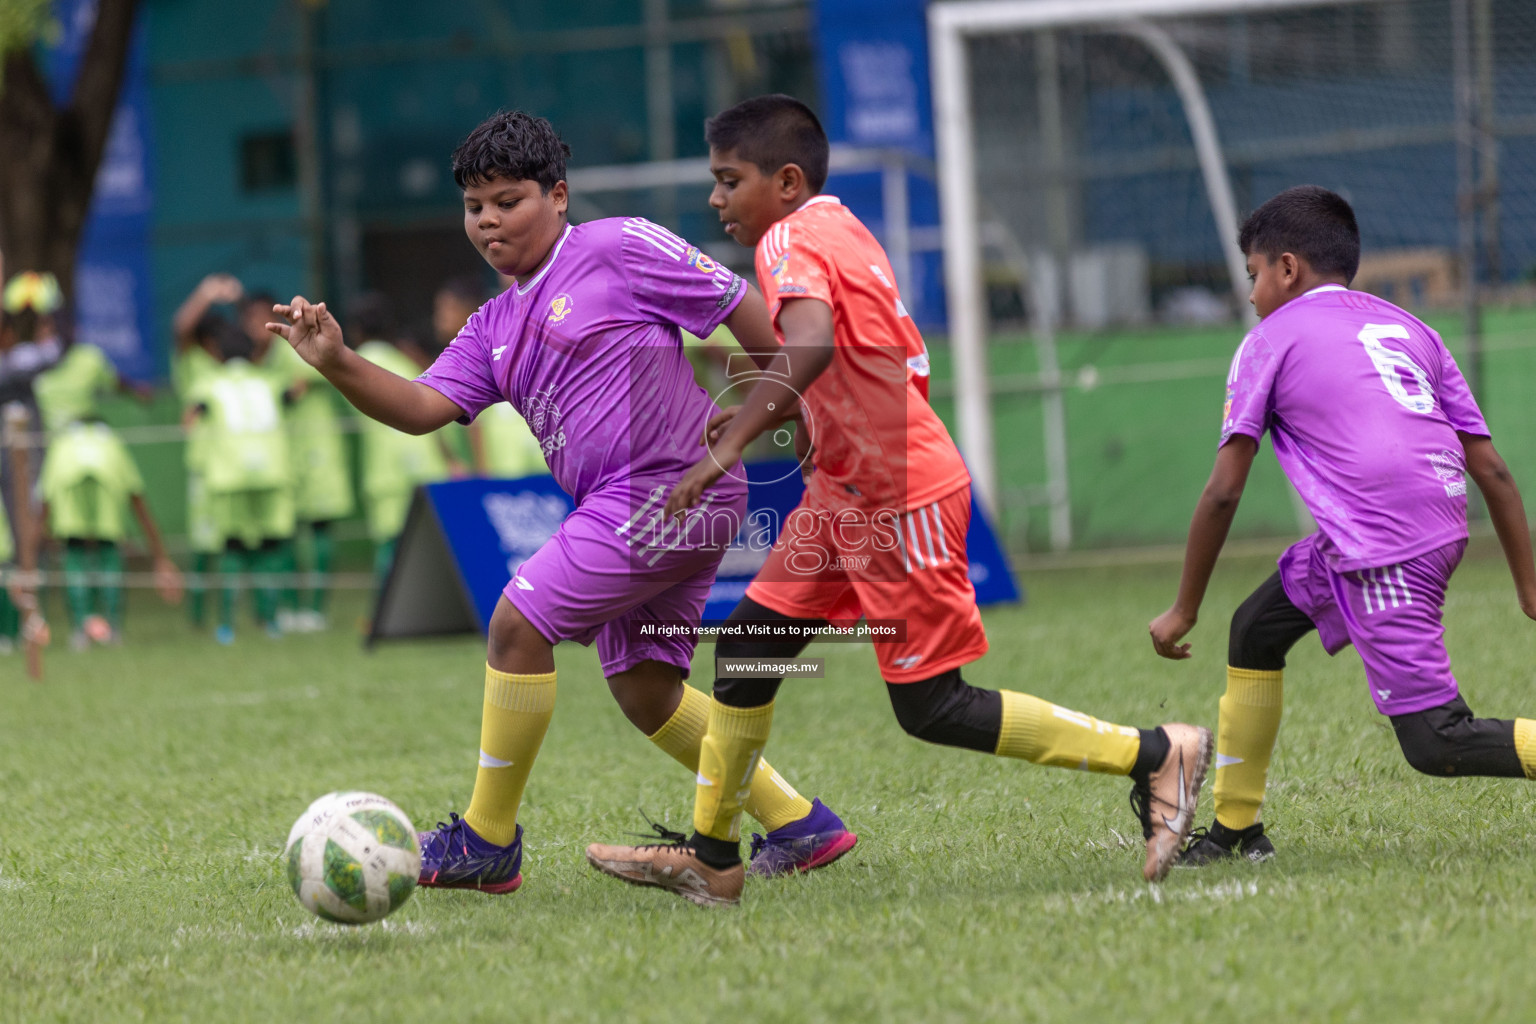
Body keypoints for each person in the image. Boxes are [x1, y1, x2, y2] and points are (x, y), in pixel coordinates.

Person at [584, 95, 1210, 906]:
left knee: (933, 706)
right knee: (745, 655)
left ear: (785, 180)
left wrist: (734, 443)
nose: (716, 199)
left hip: (895, 495)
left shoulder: (789, 236)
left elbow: (806, 344)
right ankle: (713, 856)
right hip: (847, 491)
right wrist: (796, 414)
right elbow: (852, 352)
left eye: (727, 180)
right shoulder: (840, 225)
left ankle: (1158, 752)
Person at [267, 109, 855, 895]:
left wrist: (793, 408)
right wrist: (336, 361)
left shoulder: (618, 247)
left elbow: (745, 314)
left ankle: (487, 841)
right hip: (624, 505)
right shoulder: (492, 325)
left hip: (670, 487)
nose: (488, 222)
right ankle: (799, 824)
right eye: (475, 207)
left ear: (559, 195)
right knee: (647, 692)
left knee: (517, 623)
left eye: (508, 201)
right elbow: (418, 409)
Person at [1146, 185, 1536, 865]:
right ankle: (1238, 829)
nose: (1251, 295)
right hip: (1427, 525)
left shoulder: (1269, 339)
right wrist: (1529, 589)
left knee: (1438, 742)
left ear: (1287, 268)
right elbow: (1495, 472)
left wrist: (1182, 608)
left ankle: (1239, 828)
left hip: (1383, 545)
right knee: (1256, 631)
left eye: (1253, 275)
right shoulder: (1412, 329)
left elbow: (1222, 494)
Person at [183, 321, 297, 644]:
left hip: (229, 476)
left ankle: (227, 626)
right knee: (269, 547)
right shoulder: (270, 381)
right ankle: (271, 621)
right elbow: (293, 395)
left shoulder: (209, 383)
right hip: (272, 473)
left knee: (232, 547)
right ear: (253, 353)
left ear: (218, 353)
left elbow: (192, 416)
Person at [37, 417, 182, 648]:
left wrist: (37, 544)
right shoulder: (112, 442)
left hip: (70, 516)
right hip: (108, 517)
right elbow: (137, 498)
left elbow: (45, 498)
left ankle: (81, 631)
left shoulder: (61, 443)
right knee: (109, 571)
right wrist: (160, 556)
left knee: (76, 572)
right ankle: (112, 631)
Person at [348, 293, 459, 585]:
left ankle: (384, 616)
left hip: (388, 473)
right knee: (429, 544)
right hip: (427, 465)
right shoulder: (406, 363)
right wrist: (451, 460)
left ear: (355, 330)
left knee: (390, 545)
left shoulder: (355, 365)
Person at [435, 278, 545, 480]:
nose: (439, 318)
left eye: (449, 308)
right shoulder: (457, 361)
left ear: (469, 309)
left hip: (528, 468)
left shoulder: (493, 342)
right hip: (501, 474)